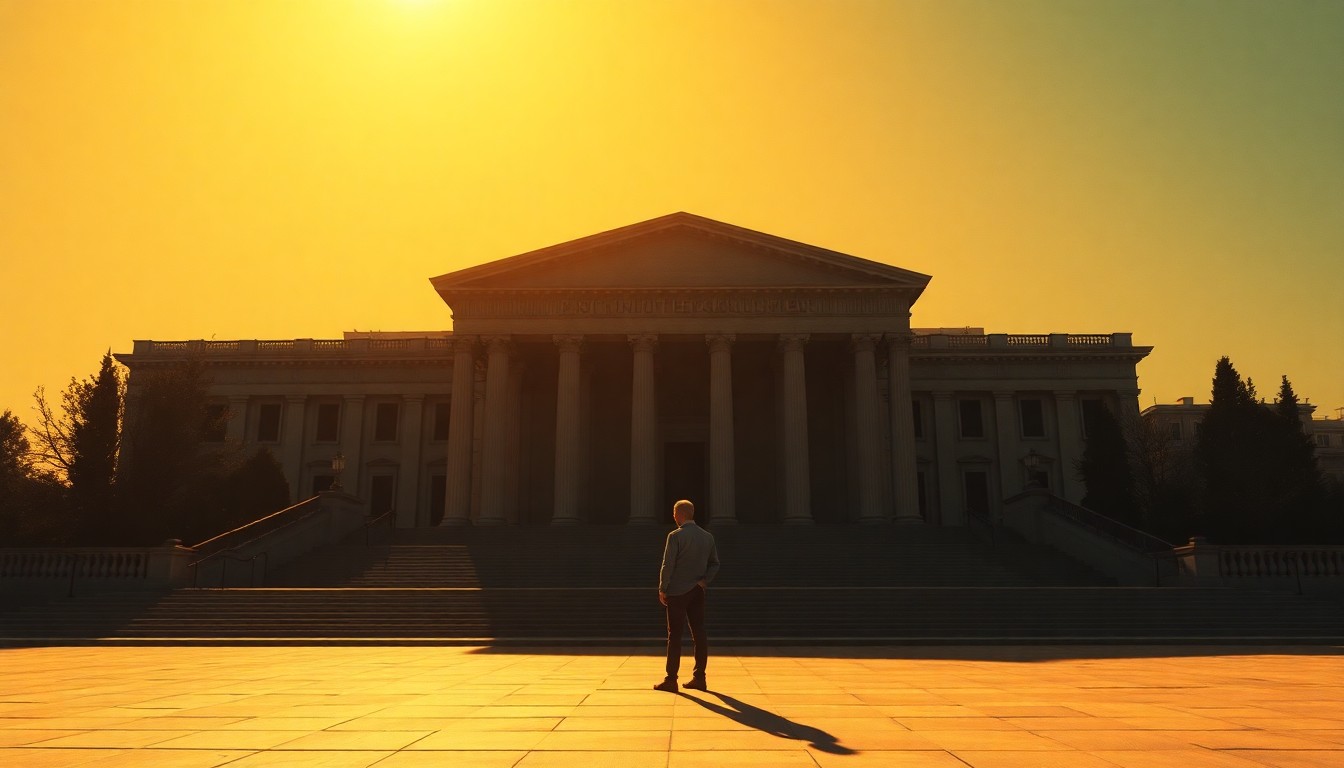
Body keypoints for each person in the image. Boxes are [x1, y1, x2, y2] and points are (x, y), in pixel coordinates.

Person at [654, 498, 719, 692]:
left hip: (677, 591)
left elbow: (668, 565)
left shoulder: (675, 536)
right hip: (697, 591)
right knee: (699, 633)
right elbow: (715, 563)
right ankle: (700, 677)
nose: (673, 517)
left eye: (674, 514)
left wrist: (662, 587)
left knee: (674, 636)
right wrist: (704, 580)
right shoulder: (707, 537)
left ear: (679, 515)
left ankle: (671, 680)